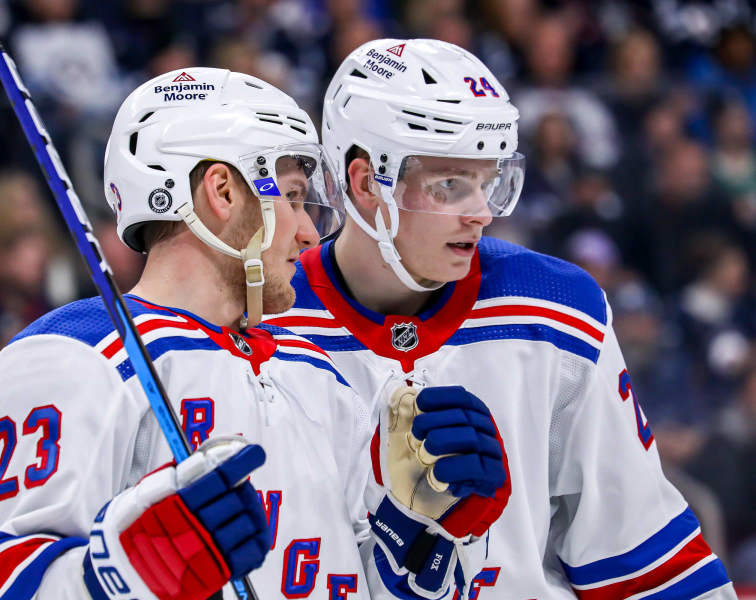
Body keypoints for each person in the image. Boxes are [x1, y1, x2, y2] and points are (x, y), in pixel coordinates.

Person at [0, 67, 509, 600]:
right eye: (293, 197)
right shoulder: (76, 356)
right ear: (222, 191)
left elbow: (374, 582)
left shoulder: (319, 374)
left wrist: (423, 535)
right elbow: (1, 587)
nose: (306, 231)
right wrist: (124, 573)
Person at [265, 39, 737, 598]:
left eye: (487, 182)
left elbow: (639, 551)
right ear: (366, 182)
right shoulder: (267, 321)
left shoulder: (555, 308)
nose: (481, 212)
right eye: (449, 185)